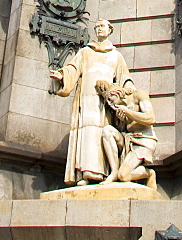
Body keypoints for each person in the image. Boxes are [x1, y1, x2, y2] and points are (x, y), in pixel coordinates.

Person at [50, 19, 132, 186]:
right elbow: (73, 68)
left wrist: (128, 87)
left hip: (104, 102)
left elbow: (124, 77)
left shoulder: (116, 55)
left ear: (110, 30)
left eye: (102, 26)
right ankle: (85, 174)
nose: (99, 29)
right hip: (86, 99)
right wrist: (63, 75)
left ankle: (102, 172)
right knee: (86, 133)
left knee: (101, 133)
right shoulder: (86, 52)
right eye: (96, 27)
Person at [97, 81, 157, 189]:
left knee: (123, 176)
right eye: (108, 103)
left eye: (110, 100)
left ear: (117, 93)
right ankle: (114, 171)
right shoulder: (118, 110)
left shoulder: (138, 95)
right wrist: (121, 121)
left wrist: (128, 112)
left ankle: (149, 173)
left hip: (144, 141)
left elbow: (151, 118)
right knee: (107, 131)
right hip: (129, 140)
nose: (111, 104)